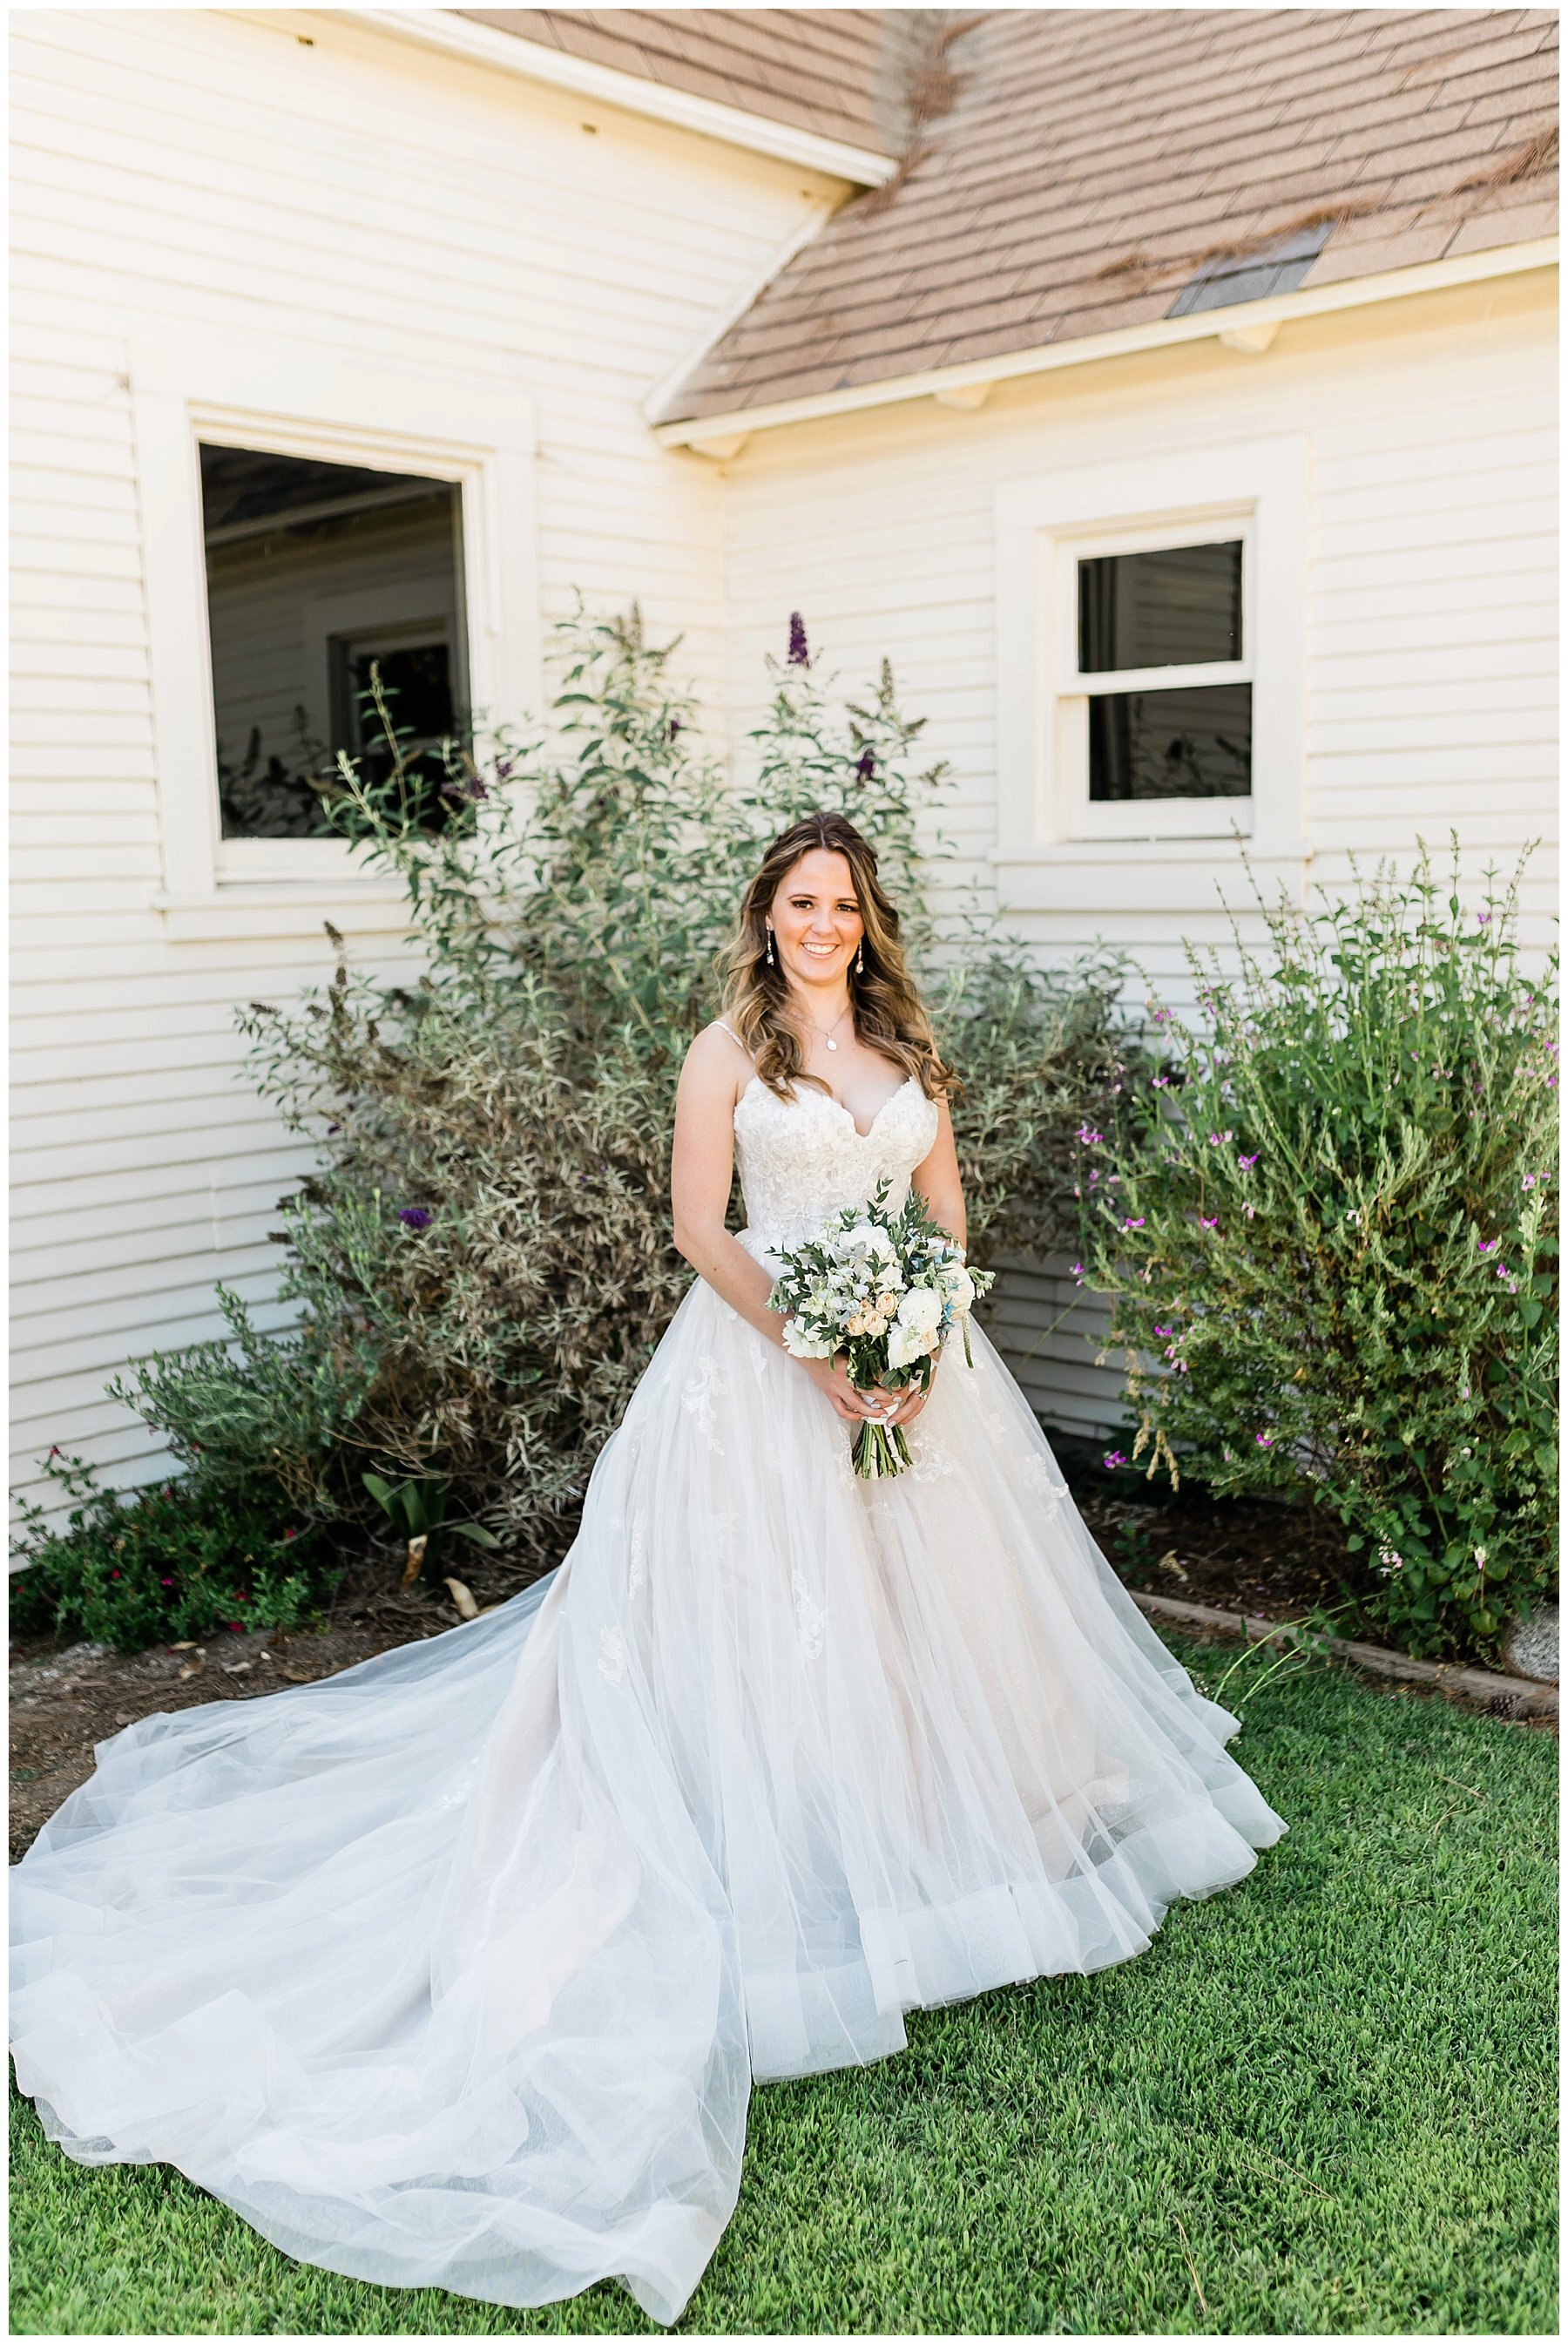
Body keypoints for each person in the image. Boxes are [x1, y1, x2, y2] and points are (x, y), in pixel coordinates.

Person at [10, 811, 1284, 2326]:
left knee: (936, 1619)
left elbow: (945, 1218)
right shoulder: (720, 1055)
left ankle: (932, 1821)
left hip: (921, 1376)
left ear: (871, 924)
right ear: (766, 916)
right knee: (759, 1628)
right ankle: (791, 1831)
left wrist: (918, 1338)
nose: (824, 923)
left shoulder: (912, 1059)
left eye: (847, 904)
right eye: (801, 901)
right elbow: (701, 1226)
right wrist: (819, 1349)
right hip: (757, 1381)